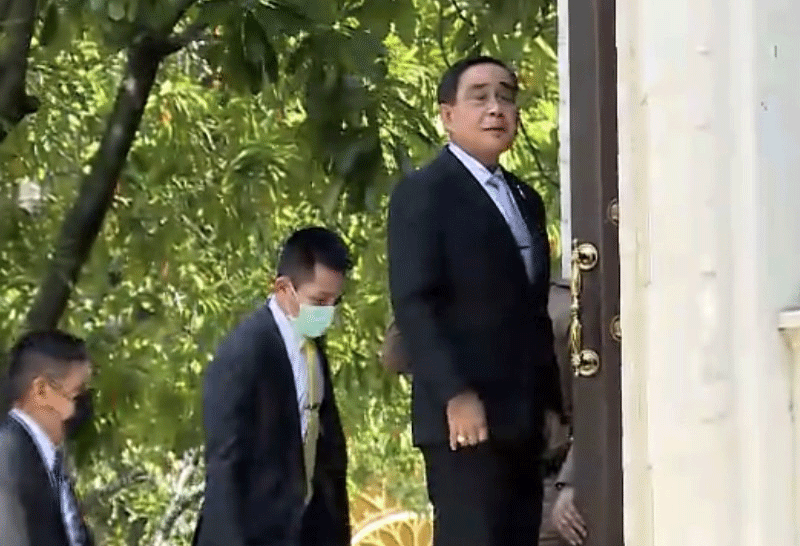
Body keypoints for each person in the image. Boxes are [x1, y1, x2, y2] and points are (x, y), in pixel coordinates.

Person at [387, 56, 565, 546]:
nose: (496, 109)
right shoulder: (424, 193)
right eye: (480, 97)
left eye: (506, 97)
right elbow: (414, 304)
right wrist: (456, 394)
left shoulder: (525, 199)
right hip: (464, 420)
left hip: (522, 417)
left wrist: (551, 403)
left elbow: (533, 310)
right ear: (448, 115)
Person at [193, 227, 352, 546]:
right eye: (319, 301)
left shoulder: (313, 348)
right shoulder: (245, 352)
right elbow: (226, 465)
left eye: (335, 302)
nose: (327, 314)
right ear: (283, 288)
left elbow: (326, 447)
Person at [0, 330, 96, 546]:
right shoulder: (7, 461)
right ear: (42, 391)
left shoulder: (50, 466)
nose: (84, 404)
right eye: (77, 393)